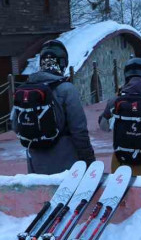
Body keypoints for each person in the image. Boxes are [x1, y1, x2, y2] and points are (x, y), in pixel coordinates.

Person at [22, 40, 96, 174]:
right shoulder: (66, 89)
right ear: (62, 63)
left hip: (35, 165)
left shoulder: (25, 90)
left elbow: (17, 126)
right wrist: (89, 161)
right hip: (66, 166)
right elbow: (79, 130)